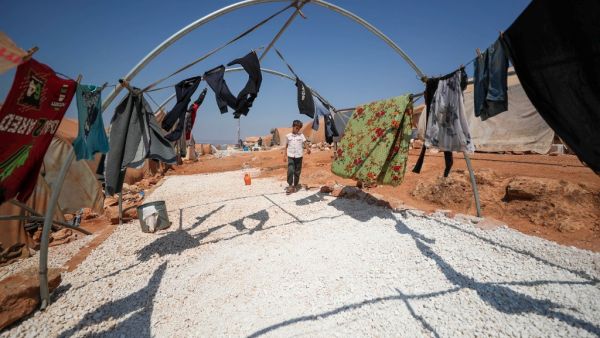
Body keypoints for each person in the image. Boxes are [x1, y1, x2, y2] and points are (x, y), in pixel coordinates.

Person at [284, 120, 310, 194]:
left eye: (298, 128)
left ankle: (295, 185)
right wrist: (284, 156)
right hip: (291, 156)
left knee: (297, 171)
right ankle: (289, 185)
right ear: (293, 126)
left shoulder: (301, 135)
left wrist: (308, 149)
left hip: (299, 156)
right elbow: (286, 146)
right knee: (290, 170)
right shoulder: (288, 136)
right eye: (296, 128)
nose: (297, 129)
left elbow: (305, 143)